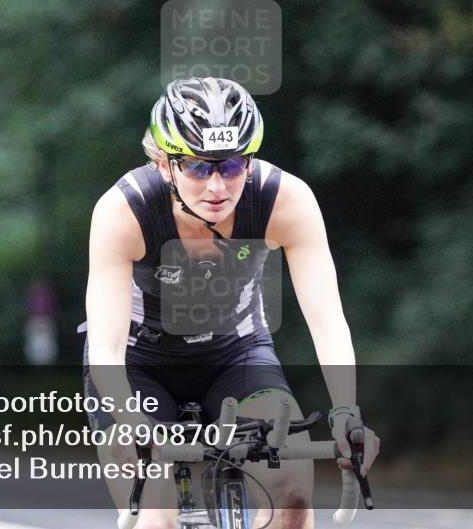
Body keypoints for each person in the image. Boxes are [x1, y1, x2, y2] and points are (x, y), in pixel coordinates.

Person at [82, 78, 380, 529]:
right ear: (165, 165)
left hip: (235, 352)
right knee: (154, 517)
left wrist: (346, 414)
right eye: (200, 168)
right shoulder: (124, 211)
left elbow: (328, 320)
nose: (218, 185)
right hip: (138, 363)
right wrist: (127, 420)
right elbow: (105, 346)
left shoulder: (284, 200)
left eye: (234, 165)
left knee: (295, 498)